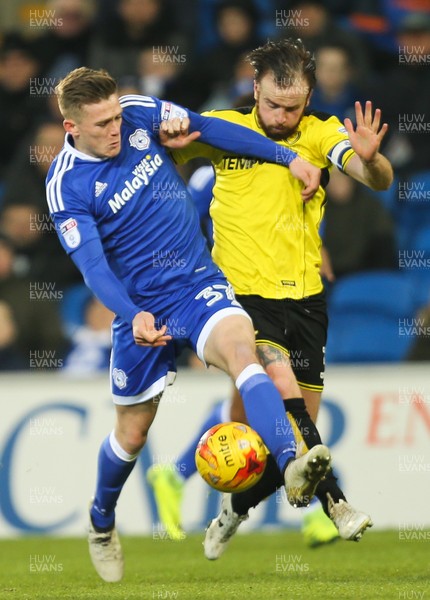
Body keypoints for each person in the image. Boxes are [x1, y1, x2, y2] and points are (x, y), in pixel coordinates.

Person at [46, 66, 329, 583]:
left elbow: (210, 128)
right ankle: (101, 521)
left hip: (198, 283)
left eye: (115, 117)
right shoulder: (66, 186)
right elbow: (92, 267)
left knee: (245, 354)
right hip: (142, 308)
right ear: (72, 128)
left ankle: (290, 463)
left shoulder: (139, 112)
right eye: (102, 124)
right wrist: (133, 316)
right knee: (132, 436)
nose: (115, 128)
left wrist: (288, 157)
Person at [148, 38, 392, 555]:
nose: (282, 117)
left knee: (295, 447)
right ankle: (338, 507)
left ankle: (232, 511)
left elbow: (372, 175)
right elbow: (158, 153)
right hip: (238, 300)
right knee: (278, 387)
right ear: (255, 89)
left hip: (305, 300)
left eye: (293, 107)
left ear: (309, 98)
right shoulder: (223, 127)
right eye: (274, 105)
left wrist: (371, 164)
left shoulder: (322, 131)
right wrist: (161, 132)